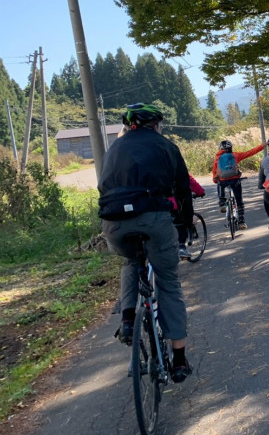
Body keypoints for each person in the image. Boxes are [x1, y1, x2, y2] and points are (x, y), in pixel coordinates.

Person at [98, 103, 193, 383]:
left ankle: (128, 320)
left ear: (129, 126)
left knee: (131, 260)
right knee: (168, 282)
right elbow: (183, 189)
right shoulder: (165, 146)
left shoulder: (113, 149)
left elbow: (104, 187)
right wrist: (184, 229)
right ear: (155, 125)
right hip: (153, 217)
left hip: (113, 221)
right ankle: (178, 360)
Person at [212, 139, 265, 230]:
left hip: (223, 181)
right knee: (239, 201)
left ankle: (222, 203)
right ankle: (241, 222)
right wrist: (262, 146)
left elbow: (214, 171)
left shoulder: (218, 158)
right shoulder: (235, 155)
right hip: (234, 180)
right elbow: (250, 152)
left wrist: (215, 179)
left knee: (219, 183)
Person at [175, 174, 205, 260]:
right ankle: (181, 247)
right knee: (182, 220)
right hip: (177, 200)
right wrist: (200, 191)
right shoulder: (175, 164)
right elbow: (189, 180)